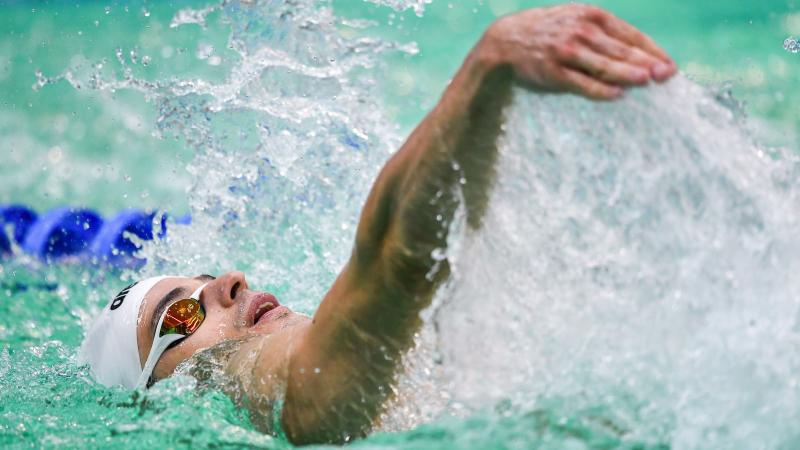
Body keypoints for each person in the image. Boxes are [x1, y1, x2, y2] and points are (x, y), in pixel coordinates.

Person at [79, 4, 677, 445]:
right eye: (181, 316)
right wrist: (487, 68)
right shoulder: (243, 384)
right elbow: (403, 262)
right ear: (160, 399)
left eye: (203, 278)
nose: (226, 283)